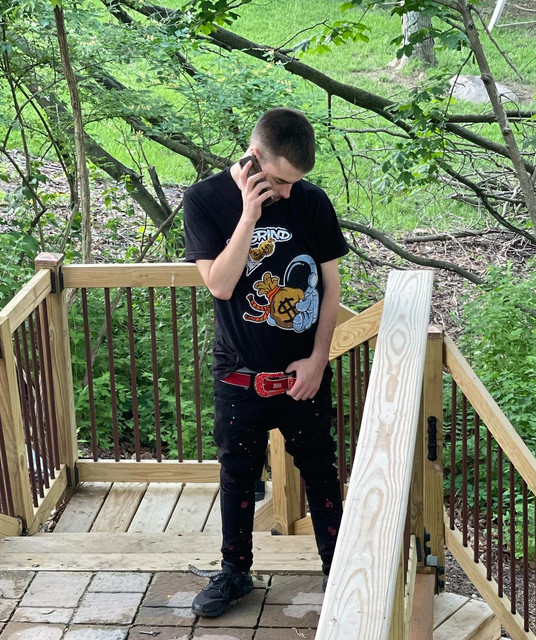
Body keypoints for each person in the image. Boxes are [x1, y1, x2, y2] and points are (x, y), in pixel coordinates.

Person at [183, 107, 348, 618]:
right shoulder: (205, 199)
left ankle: (339, 570)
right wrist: (249, 215)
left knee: (321, 472)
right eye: (278, 181)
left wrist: (318, 359)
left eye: (294, 182)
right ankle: (235, 573)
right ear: (254, 159)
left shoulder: (310, 201)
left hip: (303, 373)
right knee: (237, 475)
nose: (287, 193)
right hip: (240, 375)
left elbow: (330, 287)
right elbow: (219, 284)